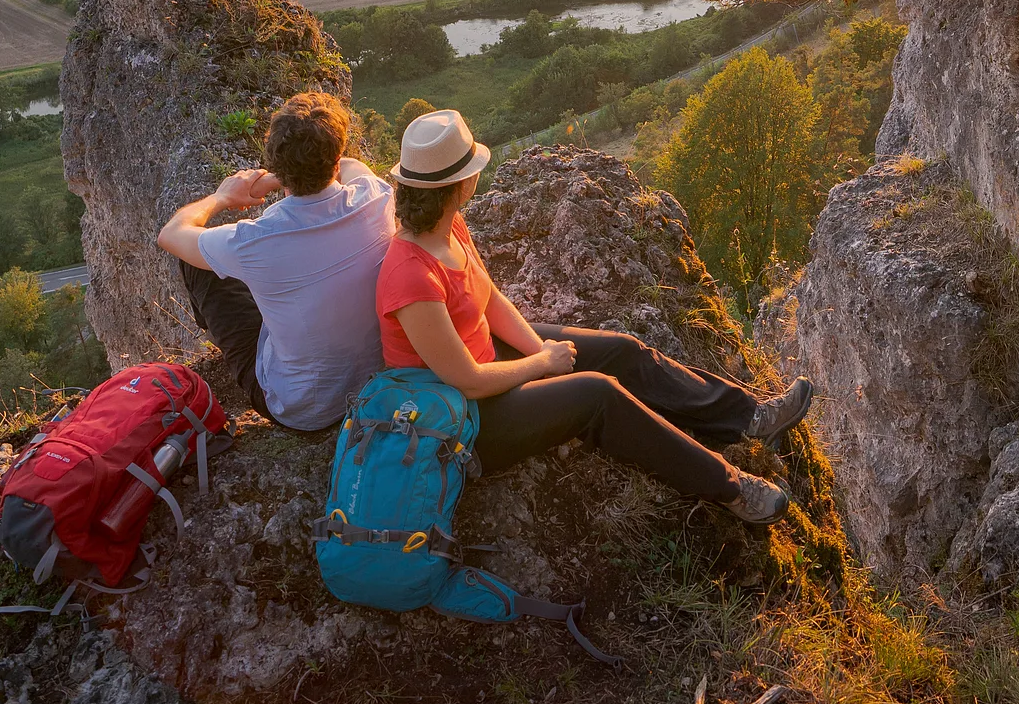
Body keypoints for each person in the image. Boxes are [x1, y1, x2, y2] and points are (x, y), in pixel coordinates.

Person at [375, 108, 815, 524]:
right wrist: (543, 364)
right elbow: (466, 380)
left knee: (621, 350)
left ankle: (749, 417)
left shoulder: (448, 224)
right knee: (598, 395)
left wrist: (538, 348)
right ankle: (731, 488)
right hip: (465, 423)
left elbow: (488, 300)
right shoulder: (410, 275)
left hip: (487, 360)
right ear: (460, 183)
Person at [154, 90, 393, 431]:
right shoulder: (376, 197)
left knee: (197, 260)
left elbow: (172, 234)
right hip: (376, 385)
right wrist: (289, 173)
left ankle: (228, 354)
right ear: (335, 160)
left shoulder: (256, 241)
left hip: (305, 412)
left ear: (279, 165)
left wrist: (222, 197)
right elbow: (354, 166)